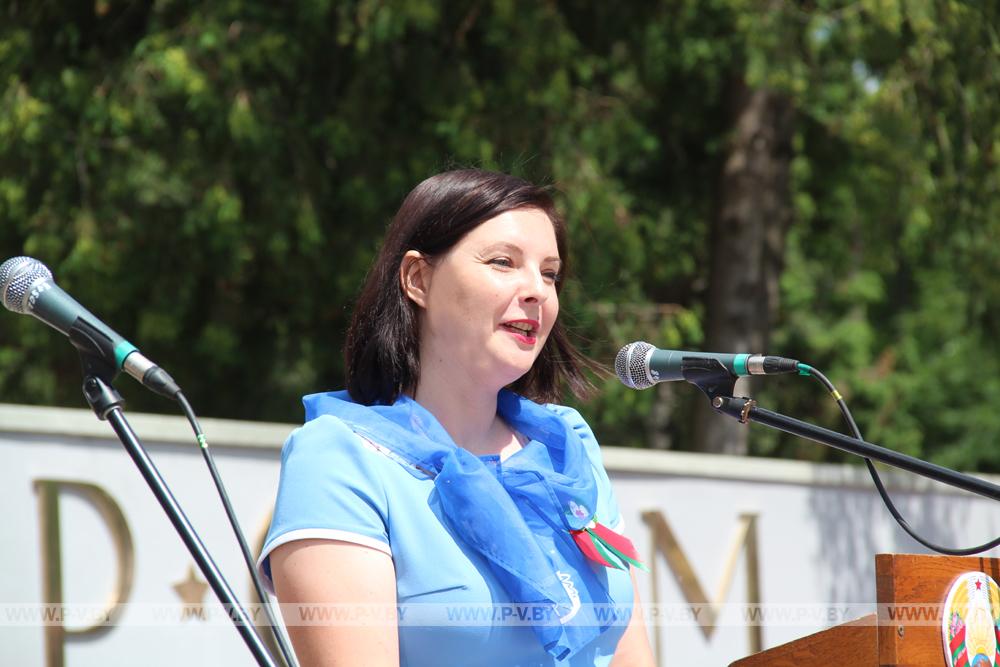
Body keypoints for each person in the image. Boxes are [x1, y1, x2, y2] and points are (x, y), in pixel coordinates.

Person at [256, 169, 654, 666]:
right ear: (418, 279)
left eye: (549, 273)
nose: (537, 290)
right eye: (503, 262)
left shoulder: (567, 445)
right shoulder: (341, 459)